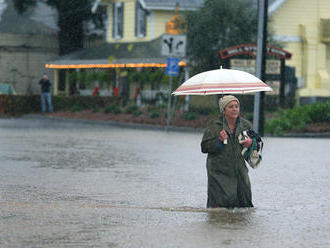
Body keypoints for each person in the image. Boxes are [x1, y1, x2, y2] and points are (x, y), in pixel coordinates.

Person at [201, 95, 255, 208]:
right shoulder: (214, 125)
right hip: (218, 173)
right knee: (219, 208)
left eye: (237, 106)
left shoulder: (246, 125)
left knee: (244, 207)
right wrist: (219, 140)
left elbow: (255, 149)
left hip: (240, 172)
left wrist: (251, 144)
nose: (235, 109)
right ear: (223, 110)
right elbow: (204, 147)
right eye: (231, 107)